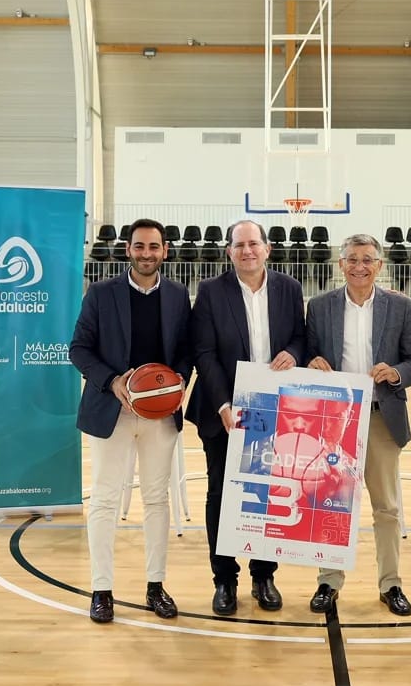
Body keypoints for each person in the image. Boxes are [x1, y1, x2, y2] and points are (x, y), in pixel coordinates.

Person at [70, 218, 192, 624]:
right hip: (112, 411)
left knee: (157, 500)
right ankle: (101, 589)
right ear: (128, 251)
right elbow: (79, 349)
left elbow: (187, 352)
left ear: (165, 251)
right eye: (139, 247)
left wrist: (176, 385)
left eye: (154, 247)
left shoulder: (177, 295)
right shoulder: (102, 294)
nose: (146, 254)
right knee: (104, 499)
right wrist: (113, 380)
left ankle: (156, 586)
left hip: (159, 417)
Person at [188, 219, 306, 616]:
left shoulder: (289, 288)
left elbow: (300, 337)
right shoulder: (210, 291)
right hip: (224, 411)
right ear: (229, 252)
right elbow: (204, 353)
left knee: (266, 496)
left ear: (267, 248)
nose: (247, 251)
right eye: (239, 245)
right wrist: (224, 405)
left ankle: (263, 575)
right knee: (222, 496)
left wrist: (293, 351)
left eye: (253, 244)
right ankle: (224, 580)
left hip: (274, 410)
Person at [304, 233, 411, 616]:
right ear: (340, 264)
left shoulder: (401, 306)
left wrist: (395, 373)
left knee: (386, 507)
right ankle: (328, 581)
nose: (360, 266)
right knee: (332, 505)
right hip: (334, 420)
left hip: (380, 417)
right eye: (352, 259)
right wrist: (313, 362)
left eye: (367, 259)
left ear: (380, 265)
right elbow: (308, 352)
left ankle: (390, 584)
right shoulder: (319, 306)